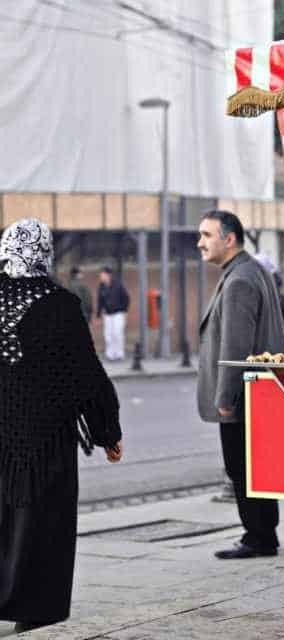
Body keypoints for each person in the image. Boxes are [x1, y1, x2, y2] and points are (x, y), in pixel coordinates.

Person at [0, 219, 123, 633]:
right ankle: (34, 609)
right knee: (41, 523)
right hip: (45, 440)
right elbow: (85, 374)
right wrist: (106, 431)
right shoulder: (60, 303)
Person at [196, 210, 284, 560]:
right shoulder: (250, 270)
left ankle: (258, 537)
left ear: (229, 239)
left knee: (242, 468)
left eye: (206, 235)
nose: (200, 242)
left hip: (244, 395)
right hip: (258, 391)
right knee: (255, 466)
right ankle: (264, 533)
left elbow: (235, 346)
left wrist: (225, 397)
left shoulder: (239, 281)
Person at [96, 265, 130, 361]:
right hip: (107, 314)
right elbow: (100, 301)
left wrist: (124, 310)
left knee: (117, 333)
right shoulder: (101, 286)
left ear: (108, 275)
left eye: (102, 275)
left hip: (118, 313)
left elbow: (126, 297)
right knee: (108, 334)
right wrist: (98, 314)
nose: (101, 277)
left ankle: (119, 353)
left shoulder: (118, 285)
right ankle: (110, 354)